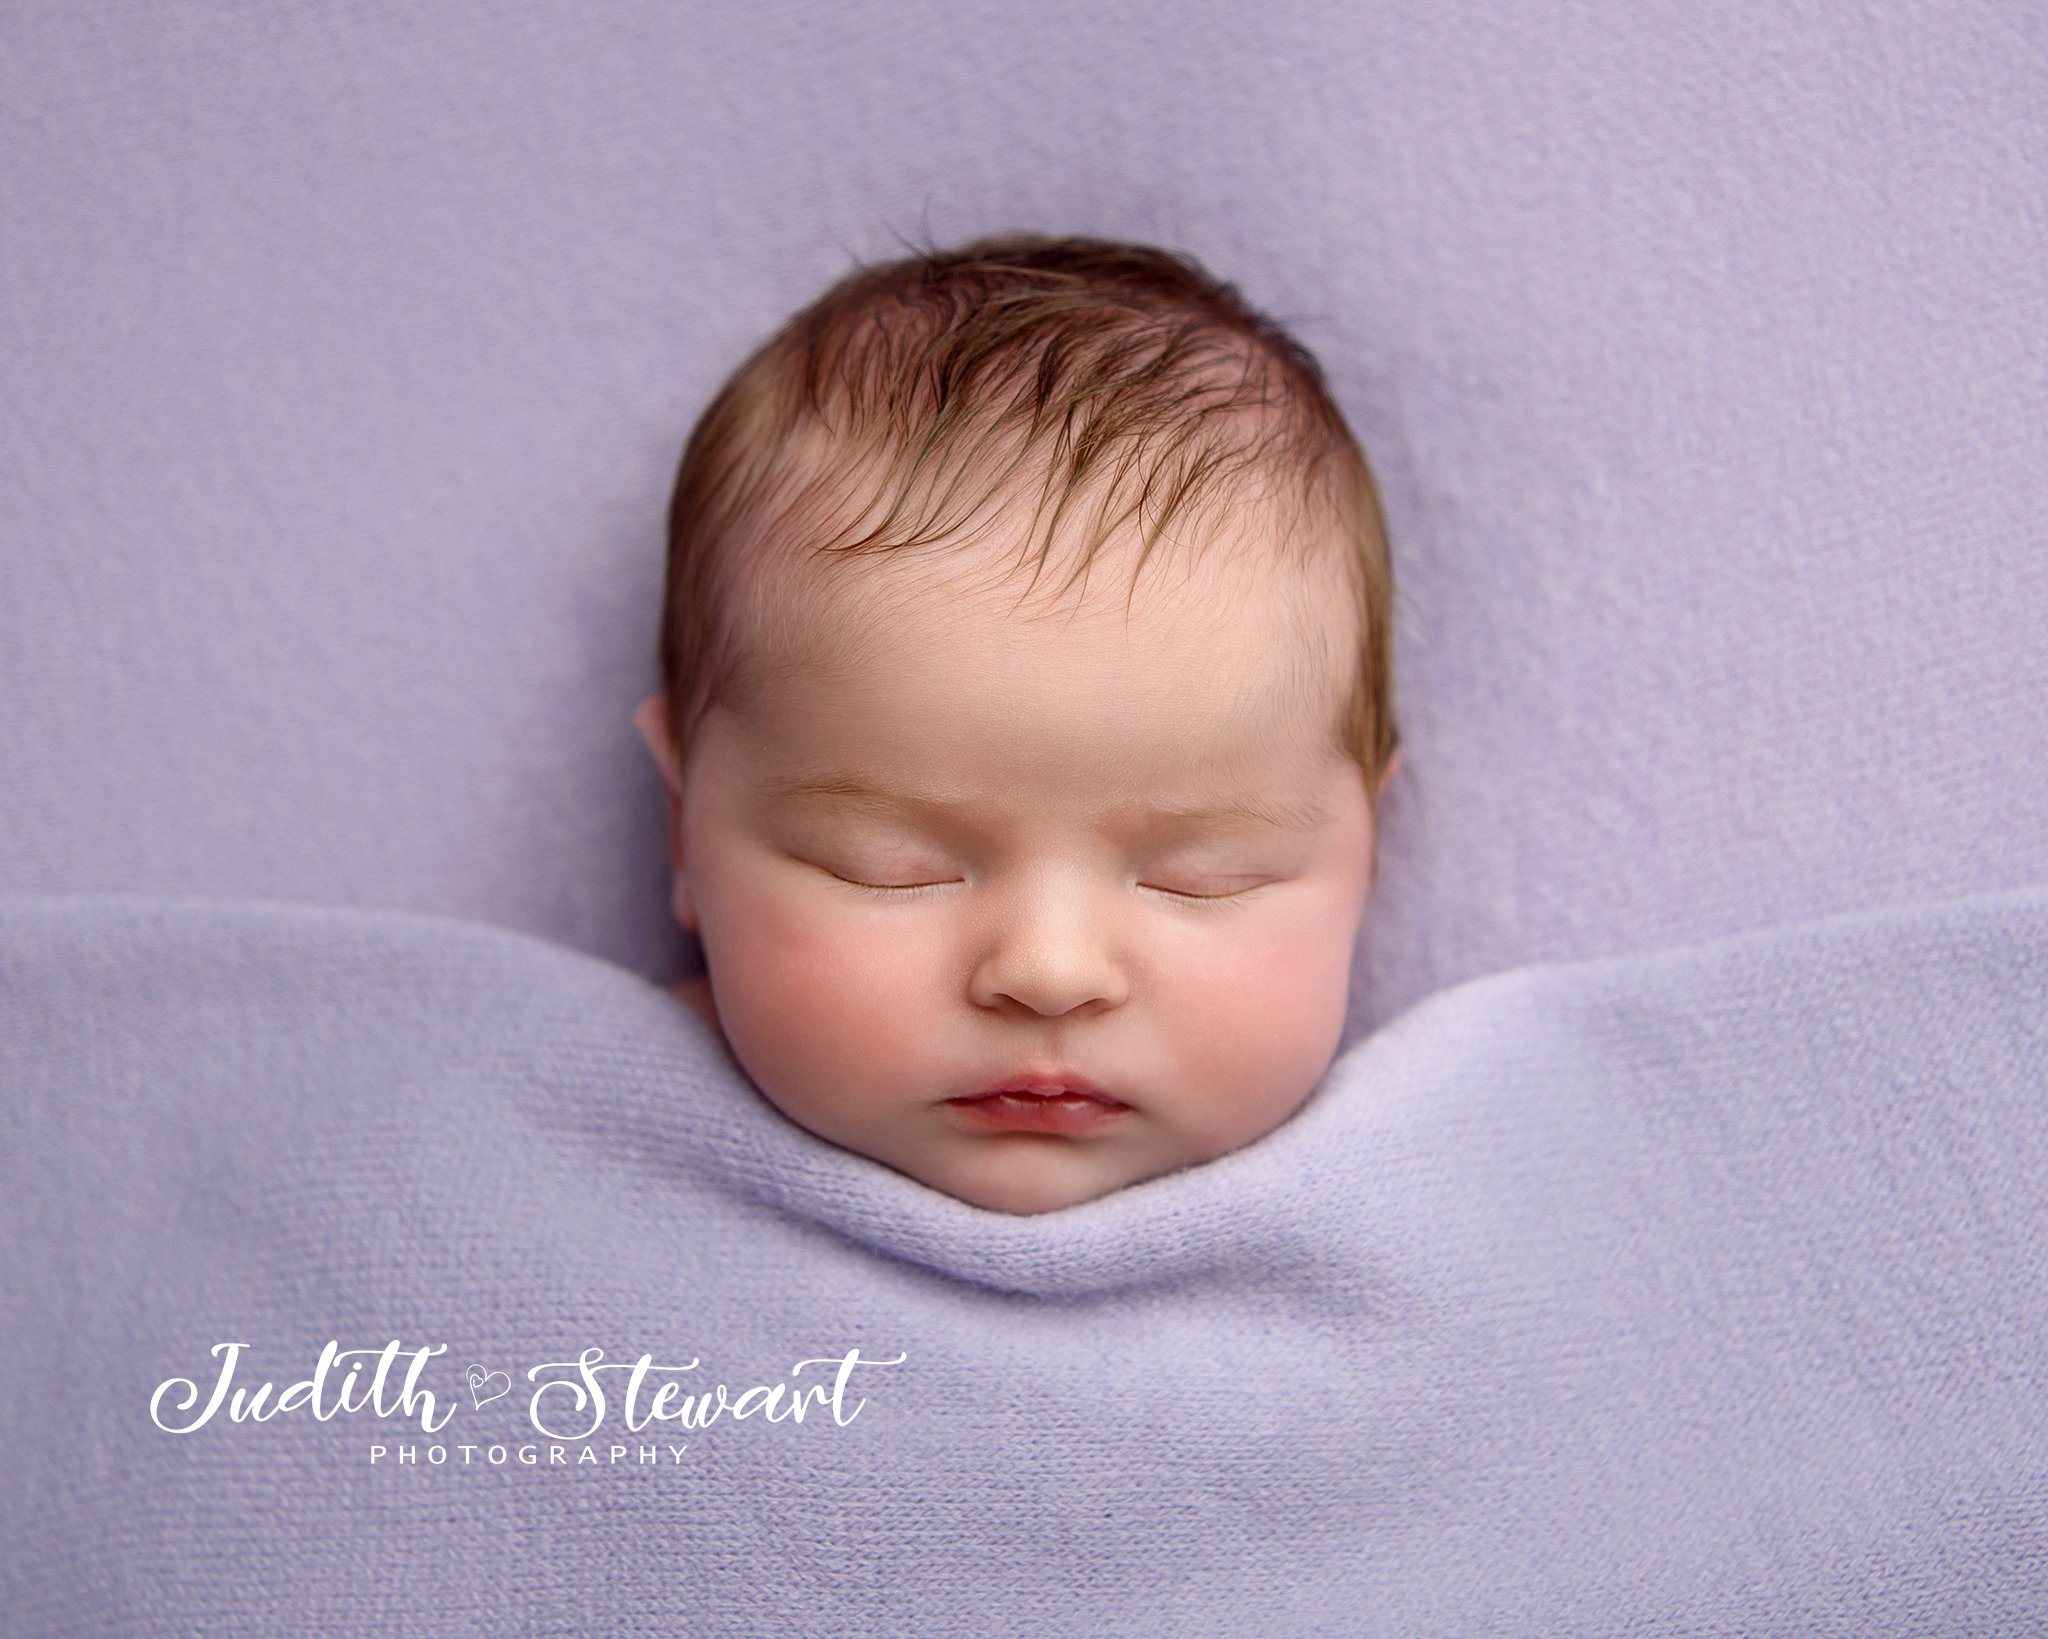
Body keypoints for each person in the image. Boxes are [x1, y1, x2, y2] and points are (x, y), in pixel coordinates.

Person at [633, 230, 1400, 1216]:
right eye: (883, 861)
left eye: (1203, 876)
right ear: (681, 824)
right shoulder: (558, 1140)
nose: (1047, 971)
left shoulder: (1445, 1181)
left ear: (1366, 849)